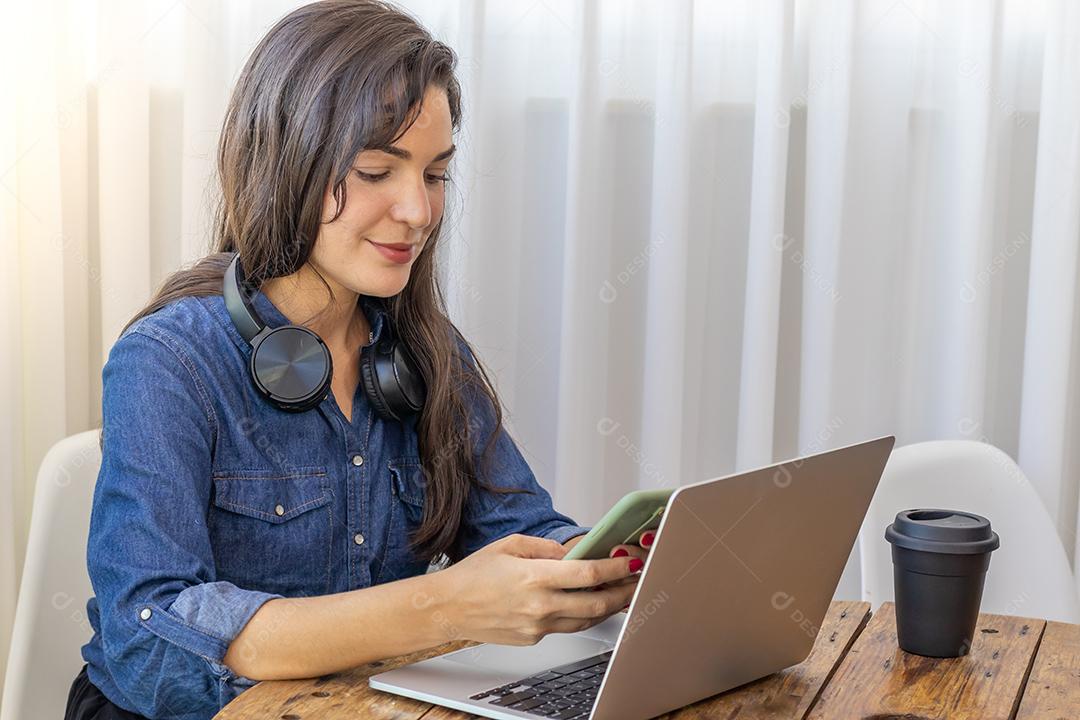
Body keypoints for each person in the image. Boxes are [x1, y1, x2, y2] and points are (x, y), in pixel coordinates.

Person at [64, 2, 652, 718]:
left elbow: (518, 527)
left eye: (435, 175)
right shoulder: (168, 363)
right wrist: (444, 607)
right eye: (377, 170)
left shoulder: (429, 353)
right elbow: (148, 639)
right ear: (288, 164)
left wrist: (600, 562)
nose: (418, 211)